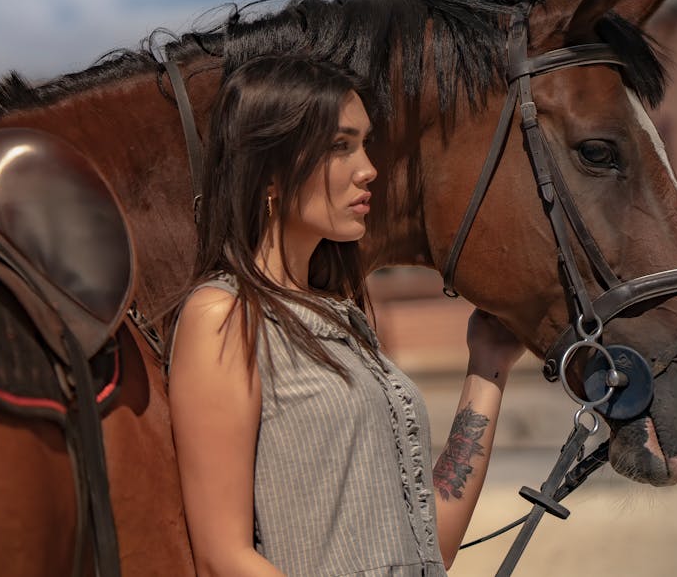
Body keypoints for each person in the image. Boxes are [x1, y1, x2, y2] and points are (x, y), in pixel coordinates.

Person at [167, 55, 526, 577]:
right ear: (268, 171)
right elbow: (223, 557)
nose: (369, 169)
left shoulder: (345, 321)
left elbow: (431, 549)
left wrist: (488, 368)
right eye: (340, 146)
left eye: (363, 142)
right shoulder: (225, 316)